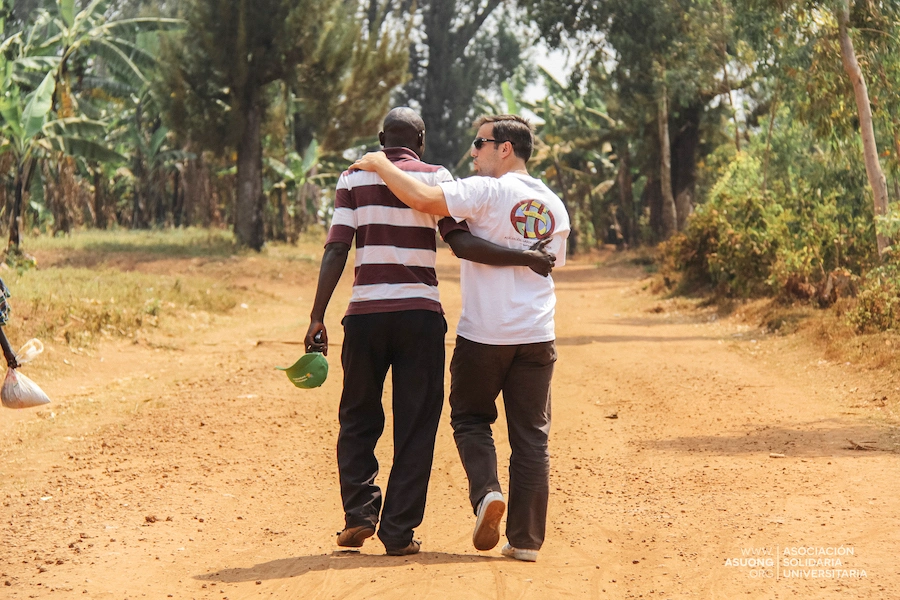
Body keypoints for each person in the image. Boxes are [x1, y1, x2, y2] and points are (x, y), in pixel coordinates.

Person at [304, 108, 555, 557]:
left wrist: (317, 315)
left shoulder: (352, 178)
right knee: (417, 424)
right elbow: (458, 241)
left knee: (358, 416)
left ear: (382, 138)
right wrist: (527, 257)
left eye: (480, 144)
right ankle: (399, 531)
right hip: (420, 316)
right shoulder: (438, 176)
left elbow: (337, 246)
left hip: (364, 315)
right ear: (420, 142)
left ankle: (359, 515)